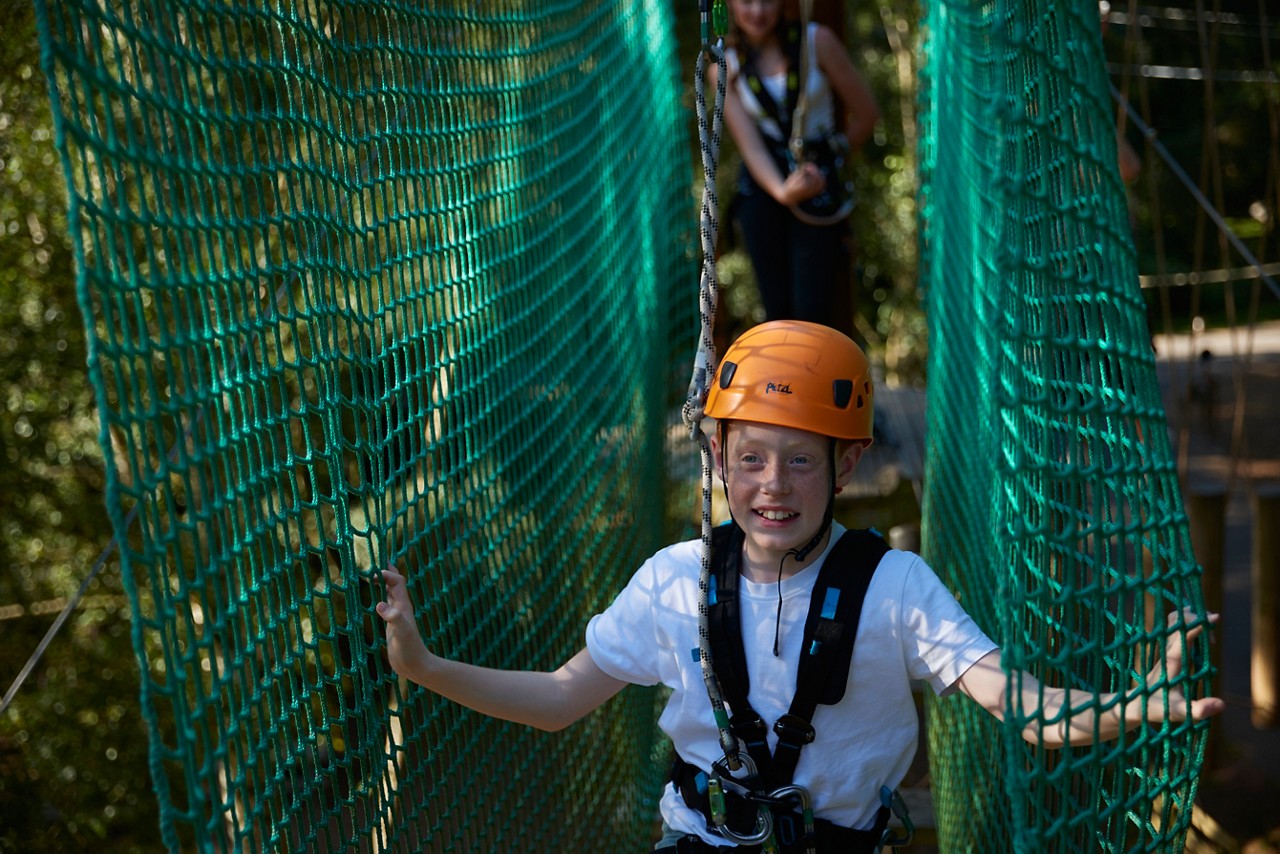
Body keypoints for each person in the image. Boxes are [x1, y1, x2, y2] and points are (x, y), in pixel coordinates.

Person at [376, 320, 1223, 853]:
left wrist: (1136, 704)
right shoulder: (676, 584)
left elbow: (1016, 701)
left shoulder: (896, 590)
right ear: (717, 461)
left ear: (847, 465)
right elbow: (562, 698)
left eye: (799, 461)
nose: (771, 486)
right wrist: (426, 668)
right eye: (748, 459)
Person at [710, 1, 880, 337]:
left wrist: (832, 159)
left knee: (813, 310)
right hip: (765, 189)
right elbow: (751, 146)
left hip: (817, 185)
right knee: (777, 313)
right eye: (746, 1)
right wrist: (782, 191)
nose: (757, 11)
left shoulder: (817, 43)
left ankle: (818, 384)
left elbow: (866, 113)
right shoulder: (724, 68)